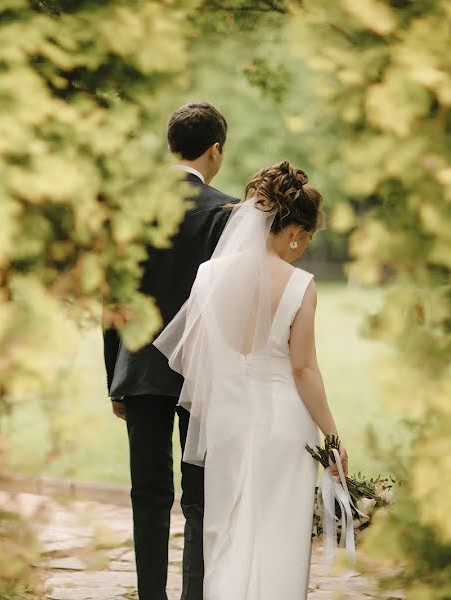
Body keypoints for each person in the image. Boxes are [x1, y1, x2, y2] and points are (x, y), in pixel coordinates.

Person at [154, 161, 348, 599]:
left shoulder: (209, 275)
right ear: (295, 230)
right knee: (280, 530)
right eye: (307, 236)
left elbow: (196, 354)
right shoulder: (300, 284)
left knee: (228, 528)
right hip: (285, 423)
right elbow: (303, 368)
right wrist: (332, 436)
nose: (304, 245)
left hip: (228, 420)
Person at [103, 102, 236, 600]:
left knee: (149, 495)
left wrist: (114, 376)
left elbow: (112, 301)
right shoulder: (225, 216)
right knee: (200, 497)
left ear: (171, 145)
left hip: (138, 372)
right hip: (204, 377)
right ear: (215, 150)